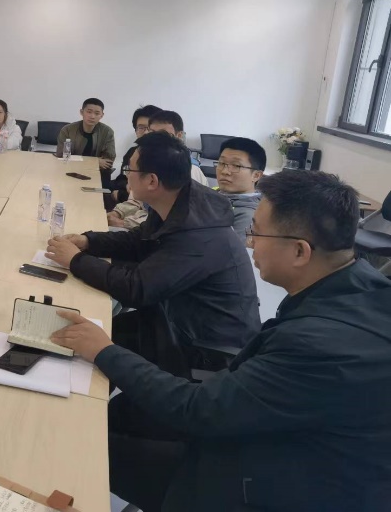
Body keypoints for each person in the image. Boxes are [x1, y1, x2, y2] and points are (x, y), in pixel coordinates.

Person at [51, 170, 391, 512]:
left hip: (277, 484)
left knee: (86, 443)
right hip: (278, 439)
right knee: (111, 416)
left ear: (300, 252)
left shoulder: (319, 345)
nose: (250, 241)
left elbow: (197, 410)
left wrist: (104, 350)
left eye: (256, 231)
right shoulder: (362, 286)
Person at [46, 131, 260, 375]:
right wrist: (88, 241)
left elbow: (138, 289)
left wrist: (75, 260)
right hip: (173, 319)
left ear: (152, 181)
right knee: (80, 332)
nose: (126, 175)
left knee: (80, 348)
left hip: (204, 351)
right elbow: (139, 240)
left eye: (130, 169)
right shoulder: (180, 199)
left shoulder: (198, 234)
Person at [56, 98, 116, 186]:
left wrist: (78, 160)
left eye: (97, 113)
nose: (92, 116)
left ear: (102, 115)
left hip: (96, 173)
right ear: (82, 112)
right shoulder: (67, 130)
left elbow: (108, 161)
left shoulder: (107, 132)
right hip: (70, 171)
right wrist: (94, 162)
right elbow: (62, 155)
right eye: (89, 112)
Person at [214, 137, 265, 238]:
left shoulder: (249, 216)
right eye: (222, 163)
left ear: (256, 175)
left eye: (236, 166)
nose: (225, 171)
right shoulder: (213, 192)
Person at [145, 110, 209, 185]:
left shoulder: (191, 171)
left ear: (179, 136)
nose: (156, 139)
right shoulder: (142, 161)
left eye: (163, 134)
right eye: (152, 133)